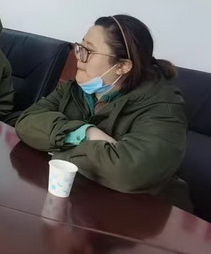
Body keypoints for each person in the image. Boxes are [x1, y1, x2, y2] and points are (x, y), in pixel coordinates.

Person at [15, 15, 187, 196]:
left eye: (88, 51)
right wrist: (85, 133)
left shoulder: (164, 107)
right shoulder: (76, 89)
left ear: (122, 66)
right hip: (85, 194)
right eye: (80, 48)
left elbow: (129, 172)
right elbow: (26, 122)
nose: (79, 58)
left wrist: (58, 149)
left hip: (144, 207)